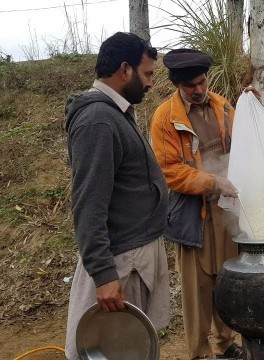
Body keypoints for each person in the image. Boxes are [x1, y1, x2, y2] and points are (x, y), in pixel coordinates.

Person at [63, 32, 170, 359]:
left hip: (135, 256)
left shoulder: (115, 111)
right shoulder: (98, 120)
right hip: (122, 263)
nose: (151, 84)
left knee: (130, 351)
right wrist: (105, 275)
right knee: (114, 351)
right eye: (148, 73)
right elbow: (88, 205)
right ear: (125, 70)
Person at [149, 49, 258, 360]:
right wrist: (212, 181)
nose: (198, 90)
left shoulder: (223, 106)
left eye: (201, 82)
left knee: (227, 278)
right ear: (177, 85)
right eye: (189, 86)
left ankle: (225, 343)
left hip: (225, 212)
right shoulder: (165, 118)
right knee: (196, 290)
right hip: (191, 214)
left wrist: (253, 109)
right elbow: (169, 171)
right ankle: (199, 352)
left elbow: (245, 145)